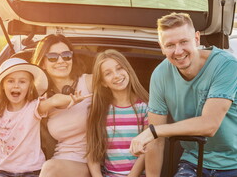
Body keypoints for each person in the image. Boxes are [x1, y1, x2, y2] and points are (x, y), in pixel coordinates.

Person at [129, 12, 237, 177]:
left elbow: (209, 125)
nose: (178, 51)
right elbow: (156, 142)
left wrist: (155, 131)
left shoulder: (226, 65)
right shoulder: (160, 75)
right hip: (193, 160)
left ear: (197, 39)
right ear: (161, 46)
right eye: (170, 45)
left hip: (232, 162)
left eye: (184, 42)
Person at [31, 34, 93, 177]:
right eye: (53, 57)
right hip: (60, 162)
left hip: (90, 162)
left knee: (50, 168)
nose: (61, 61)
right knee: (51, 167)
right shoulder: (43, 99)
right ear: (42, 64)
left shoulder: (89, 82)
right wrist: (54, 101)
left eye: (66, 55)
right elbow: (17, 111)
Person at [86, 49, 149, 177]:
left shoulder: (145, 106)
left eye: (119, 68)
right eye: (108, 73)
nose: (116, 75)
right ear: (103, 82)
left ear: (128, 70)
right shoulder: (99, 110)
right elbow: (92, 152)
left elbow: (148, 149)